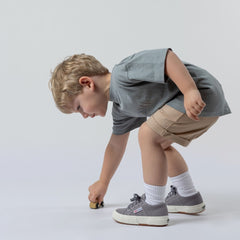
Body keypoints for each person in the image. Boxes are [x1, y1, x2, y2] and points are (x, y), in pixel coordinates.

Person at [48, 48, 231, 226]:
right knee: (159, 143)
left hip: (200, 94)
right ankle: (187, 195)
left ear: (87, 83)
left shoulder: (124, 73)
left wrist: (190, 90)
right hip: (200, 105)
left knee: (147, 134)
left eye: (79, 107)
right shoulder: (122, 108)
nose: (84, 115)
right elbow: (115, 146)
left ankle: (153, 205)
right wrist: (103, 182)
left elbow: (167, 58)